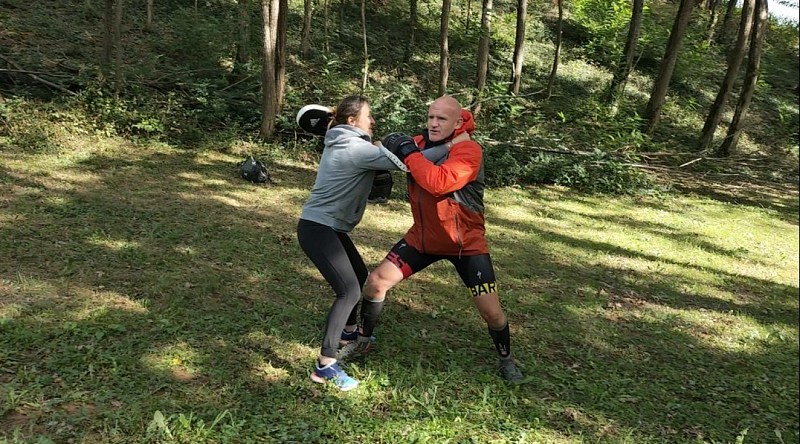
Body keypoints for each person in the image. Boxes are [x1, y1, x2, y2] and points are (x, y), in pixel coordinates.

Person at [338, 95, 525, 383]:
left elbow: (438, 183)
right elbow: (383, 150)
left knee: (492, 314)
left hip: (465, 245)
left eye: (442, 119)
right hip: (423, 238)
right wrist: (372, 144)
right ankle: (363, 339)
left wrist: (409, 154)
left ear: (458, 122)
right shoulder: (420, 143)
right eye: (431, 118)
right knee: (376, 283)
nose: (434, 124)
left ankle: (506, 358)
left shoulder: (469, 150)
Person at [296, 95, 459, 391]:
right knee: (349, 290)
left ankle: (347, 333)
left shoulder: (346, 143)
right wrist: (451, 146)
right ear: (351, 120)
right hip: (318, 228)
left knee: (358, 276)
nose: (372, 121)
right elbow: (411, 164)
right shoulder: (355, 148)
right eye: (368, 116)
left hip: (326, 227)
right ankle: (325, 365)